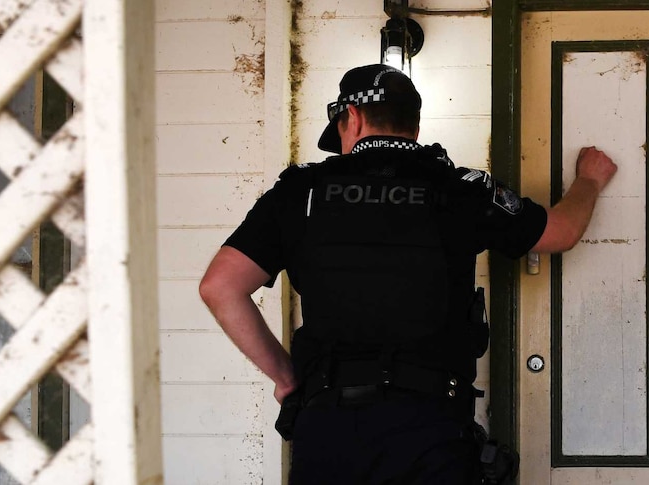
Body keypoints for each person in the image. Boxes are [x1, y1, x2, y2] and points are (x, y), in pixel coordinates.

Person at [199, 64, 617, 484]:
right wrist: (588, 181)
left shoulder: (299, 192)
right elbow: (561, 232)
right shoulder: (461, 189)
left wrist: (286, 378)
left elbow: (220, 287)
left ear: (354, 118)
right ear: (414, 127)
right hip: (432, 429)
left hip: (328, 429)